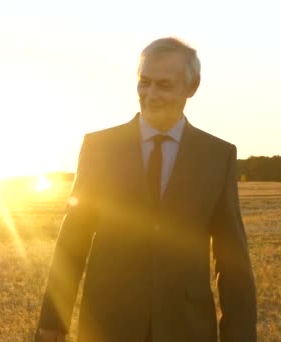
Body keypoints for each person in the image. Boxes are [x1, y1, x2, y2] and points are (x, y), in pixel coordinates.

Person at [36, 37, 257, 342]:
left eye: (164, 85)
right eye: (144, 82)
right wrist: (52, 325)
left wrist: (239, 334)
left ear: (192, 87)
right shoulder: (100, 148)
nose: (150, 95)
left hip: (187, 328)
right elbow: (71, 243)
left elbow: (232, 258)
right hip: (108, 324)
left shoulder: (217, 156)